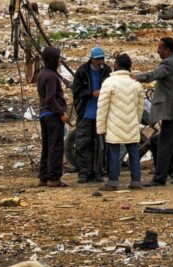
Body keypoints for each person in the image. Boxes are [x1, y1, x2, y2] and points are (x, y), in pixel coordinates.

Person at [135, 36, 173, 185]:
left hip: (172, 112)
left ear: (168, 49)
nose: (158, 50)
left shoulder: (167, 63)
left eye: (160, 47)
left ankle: (159, 178)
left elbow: (154, 75)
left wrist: (136, 77)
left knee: (164, 144)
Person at [97, 53, 143, 190]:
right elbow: (140, 109)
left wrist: (100, 128)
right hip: (132, 123)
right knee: (134, 153)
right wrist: (136, 121)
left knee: (114, 154)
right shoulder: (136, 84)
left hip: (114, 125)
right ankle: (136, 181)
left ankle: (113, 182)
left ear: (116, 65)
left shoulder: (108, 83)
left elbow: (102, 108)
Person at [70, 46, 111, 184]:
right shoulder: (82, 71)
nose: (100, 62)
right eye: (98, 60)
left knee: (100, 145)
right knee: (83, 143)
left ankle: (96, 172)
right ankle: (84, 173)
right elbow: (76, 91)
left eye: (102, 59)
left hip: (102, 113)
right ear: (92, 59)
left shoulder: (106, 70)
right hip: (86, 113)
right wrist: (91, 93)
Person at [35, 47, 69, 187]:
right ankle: (54, 178)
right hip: (52, 115)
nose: (60, 60)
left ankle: (44, 176)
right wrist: (61, 113)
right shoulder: (51, 76)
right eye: (58, 57)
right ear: (52, 59)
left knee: (47, 146)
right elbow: (50, 98)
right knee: (56, 146)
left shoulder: (43, 74)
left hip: (44, 114)